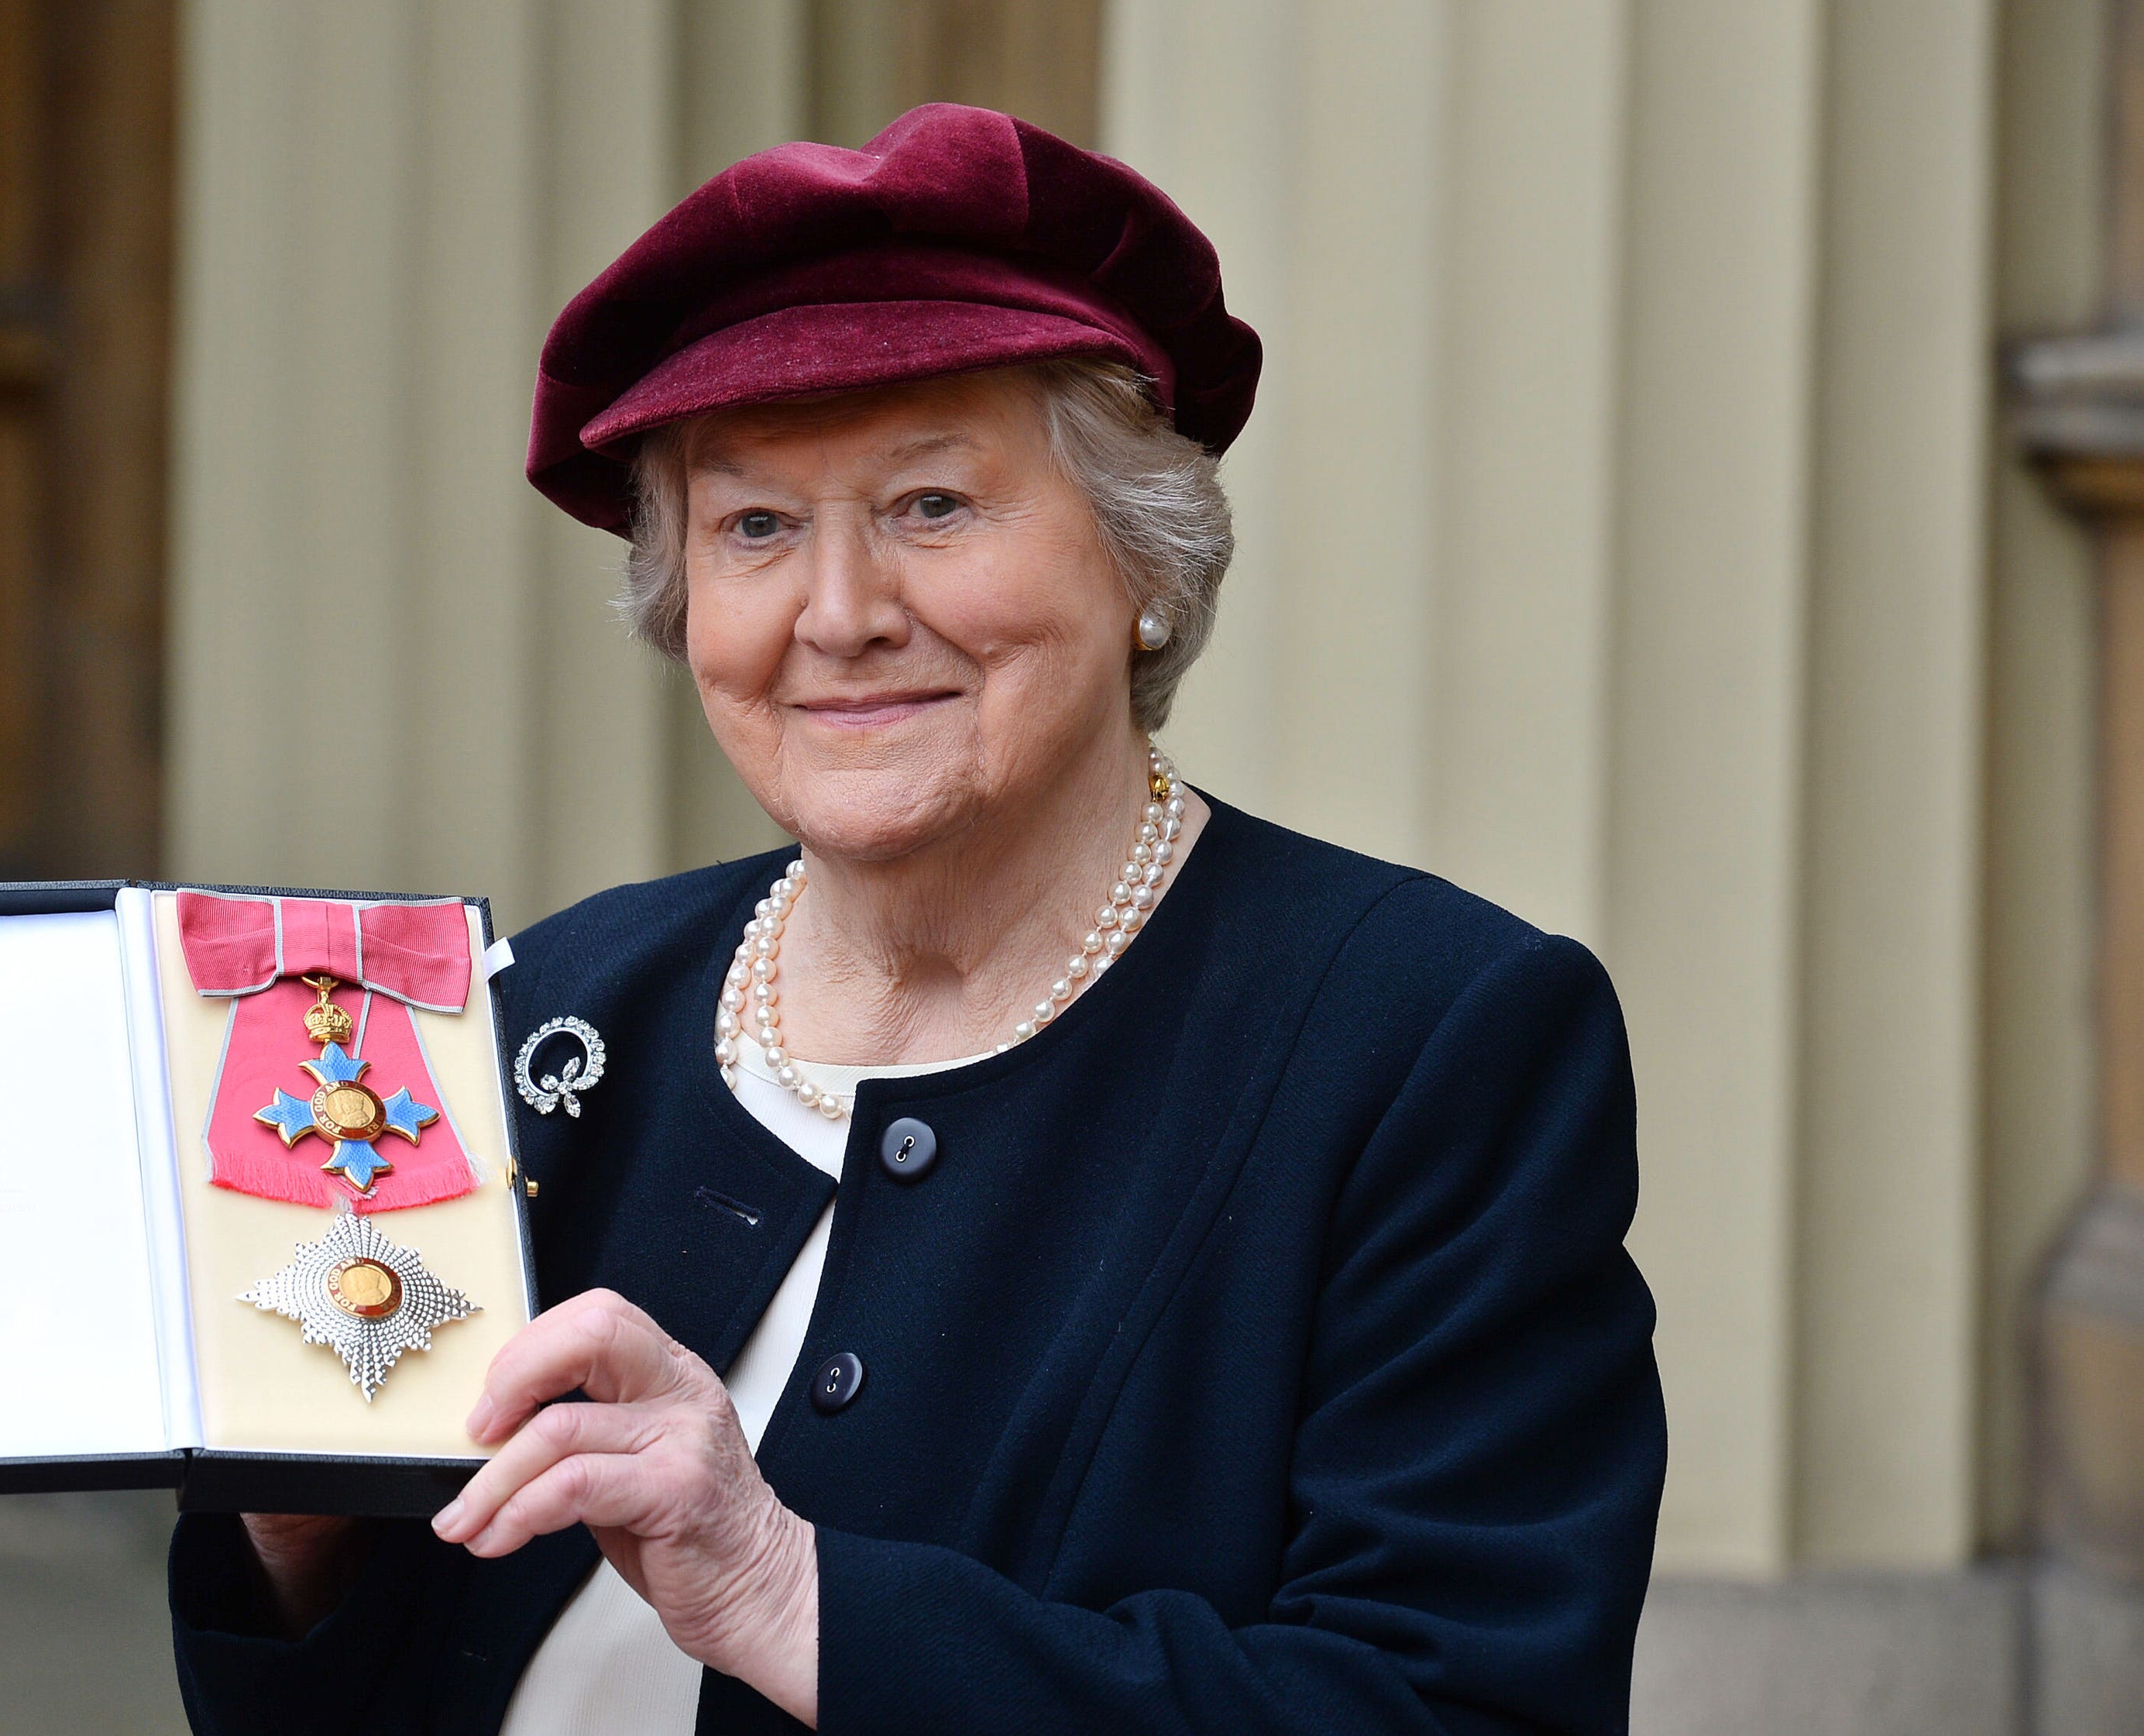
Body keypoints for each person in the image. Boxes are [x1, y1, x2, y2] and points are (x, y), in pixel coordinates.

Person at [169, 102, 1663, 1735]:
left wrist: (781, 1589)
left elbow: (1454, 1705)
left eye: (932, 505)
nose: (839, 614)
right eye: (752, 528)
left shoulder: (1425, 1041)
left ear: (1141, 561)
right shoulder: (538, 1012)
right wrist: (297, 1526)